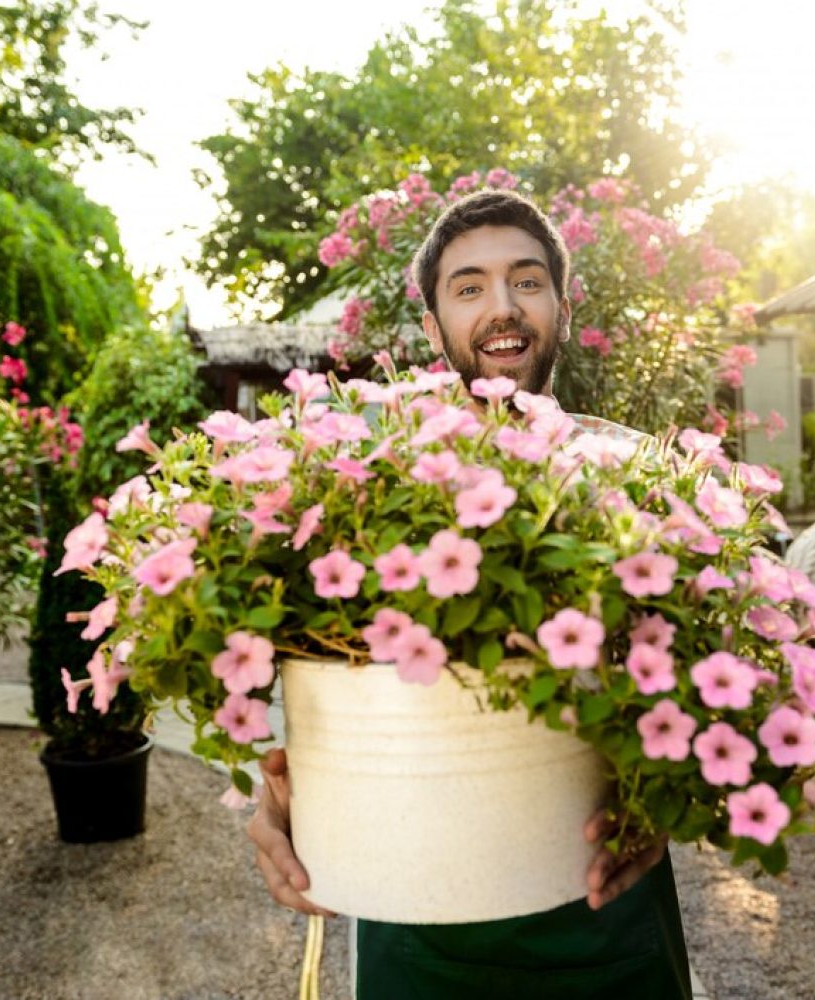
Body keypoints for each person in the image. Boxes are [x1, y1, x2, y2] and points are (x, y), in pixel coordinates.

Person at [247, 189, 693, 999]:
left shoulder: (635, 473)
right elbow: (318, 670)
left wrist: (679, 792)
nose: (501, 307)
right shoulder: (373, 488)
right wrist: (278, 793)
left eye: (527, 281)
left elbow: (709, 681)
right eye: (468, 287)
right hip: (419, 926)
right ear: (431, 328)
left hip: (608, 923)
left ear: (560, 305)